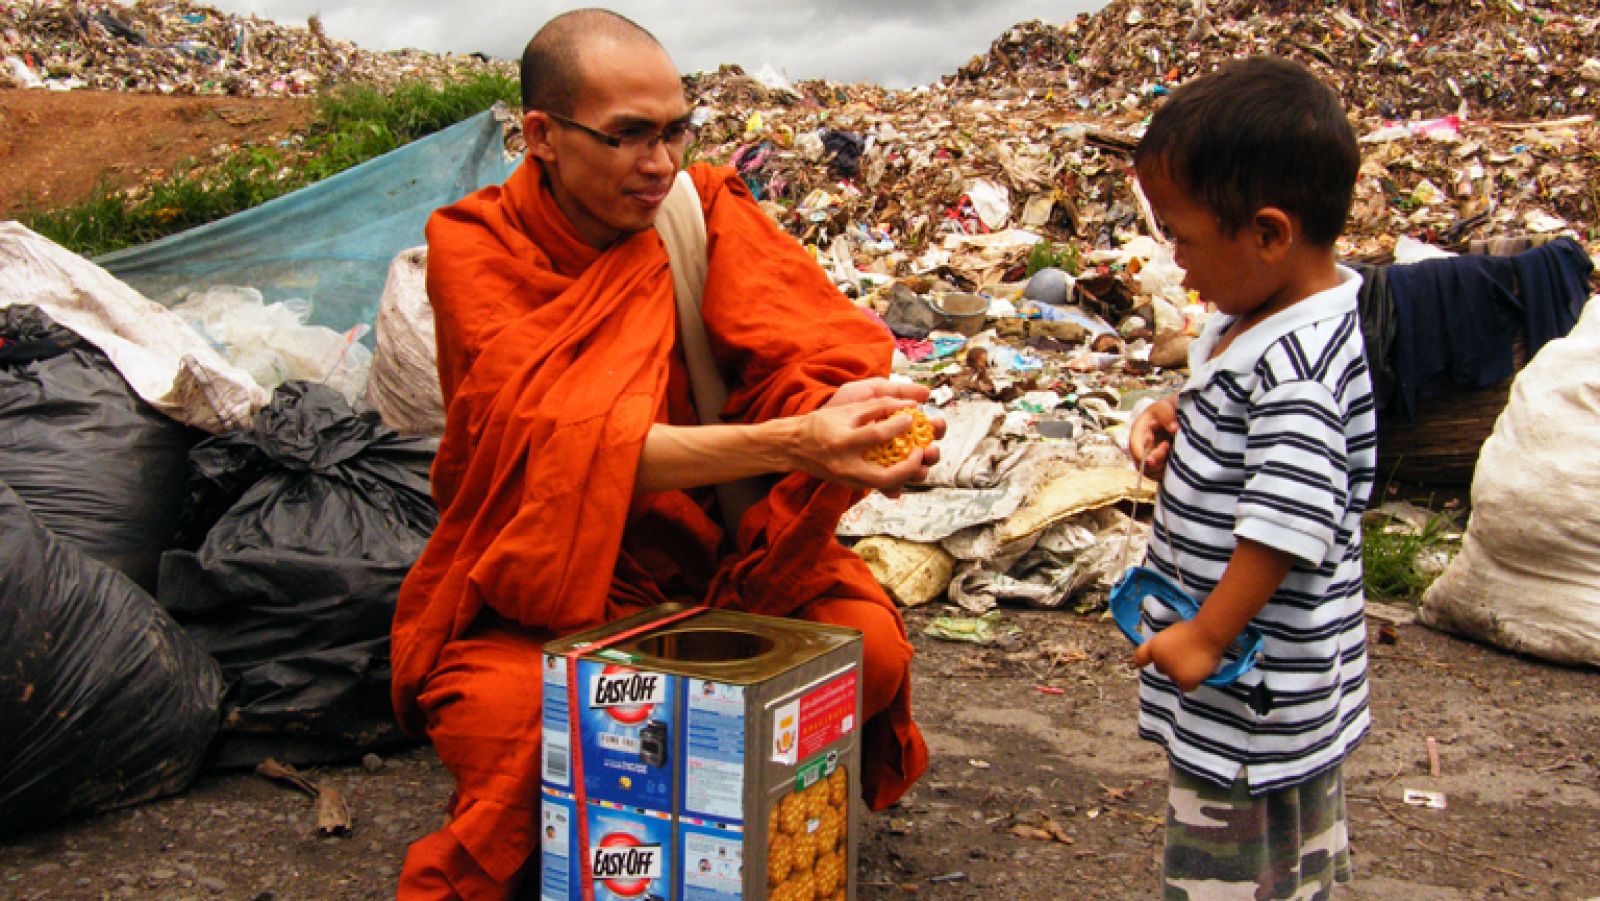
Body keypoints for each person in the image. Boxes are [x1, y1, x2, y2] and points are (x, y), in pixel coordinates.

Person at [389, 9, 937, 898]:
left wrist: (835, 411)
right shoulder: (478, 247)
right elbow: (558, 449)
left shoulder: (704, 212)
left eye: (677, 130)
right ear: (542, 136)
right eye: (630, 136)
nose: (661, 163)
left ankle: (693, 809)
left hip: (720, 566)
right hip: (555, 587)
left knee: (866, 650)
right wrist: (796, 441)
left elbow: (803, 347)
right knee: (513, 717)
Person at [1125, 56, 1375, 900]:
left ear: (1269, 234)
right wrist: (1181, 415)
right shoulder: (1264, 318)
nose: (1176, 261)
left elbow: (1285, 524)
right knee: (1290, 872)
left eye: (1182, 237)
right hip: (1271, 689)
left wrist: (1204, 635)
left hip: (1252, 698)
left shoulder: (1295, 371)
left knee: (1233, 878)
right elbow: (1245, 429)